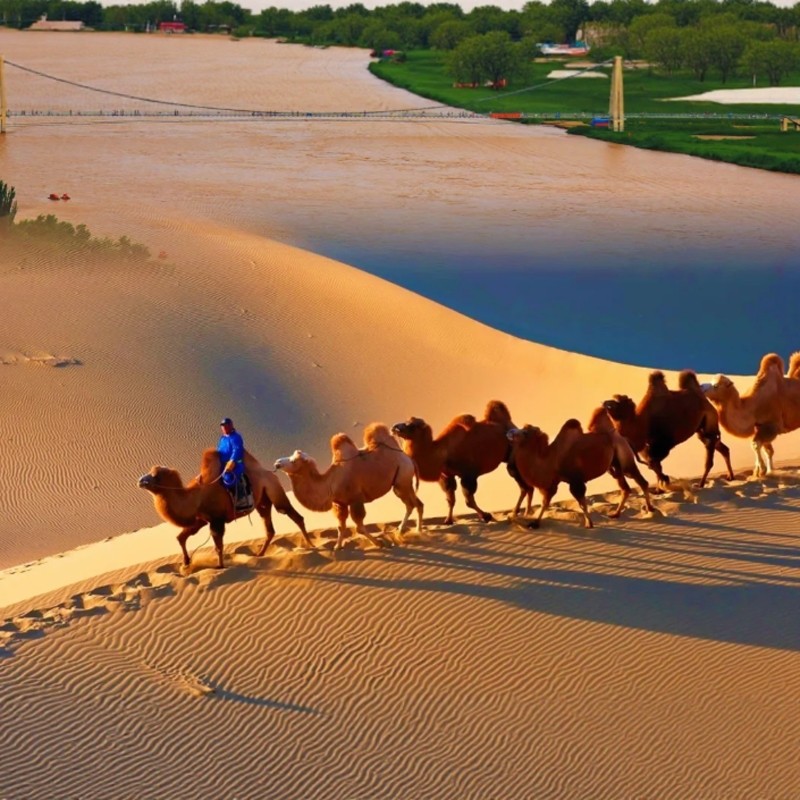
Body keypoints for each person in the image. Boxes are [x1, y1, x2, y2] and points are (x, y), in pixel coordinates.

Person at [217, 417, 245, 492]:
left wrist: (232, 461)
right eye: (223, 426)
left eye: (226, 425)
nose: (224, 427)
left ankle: (240, 497)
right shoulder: (223, 438)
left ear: (231, 426)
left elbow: (237, 450)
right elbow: (219, 450)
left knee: (228, 479)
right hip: (222, 464)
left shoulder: (236, 437)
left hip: (235, 464)